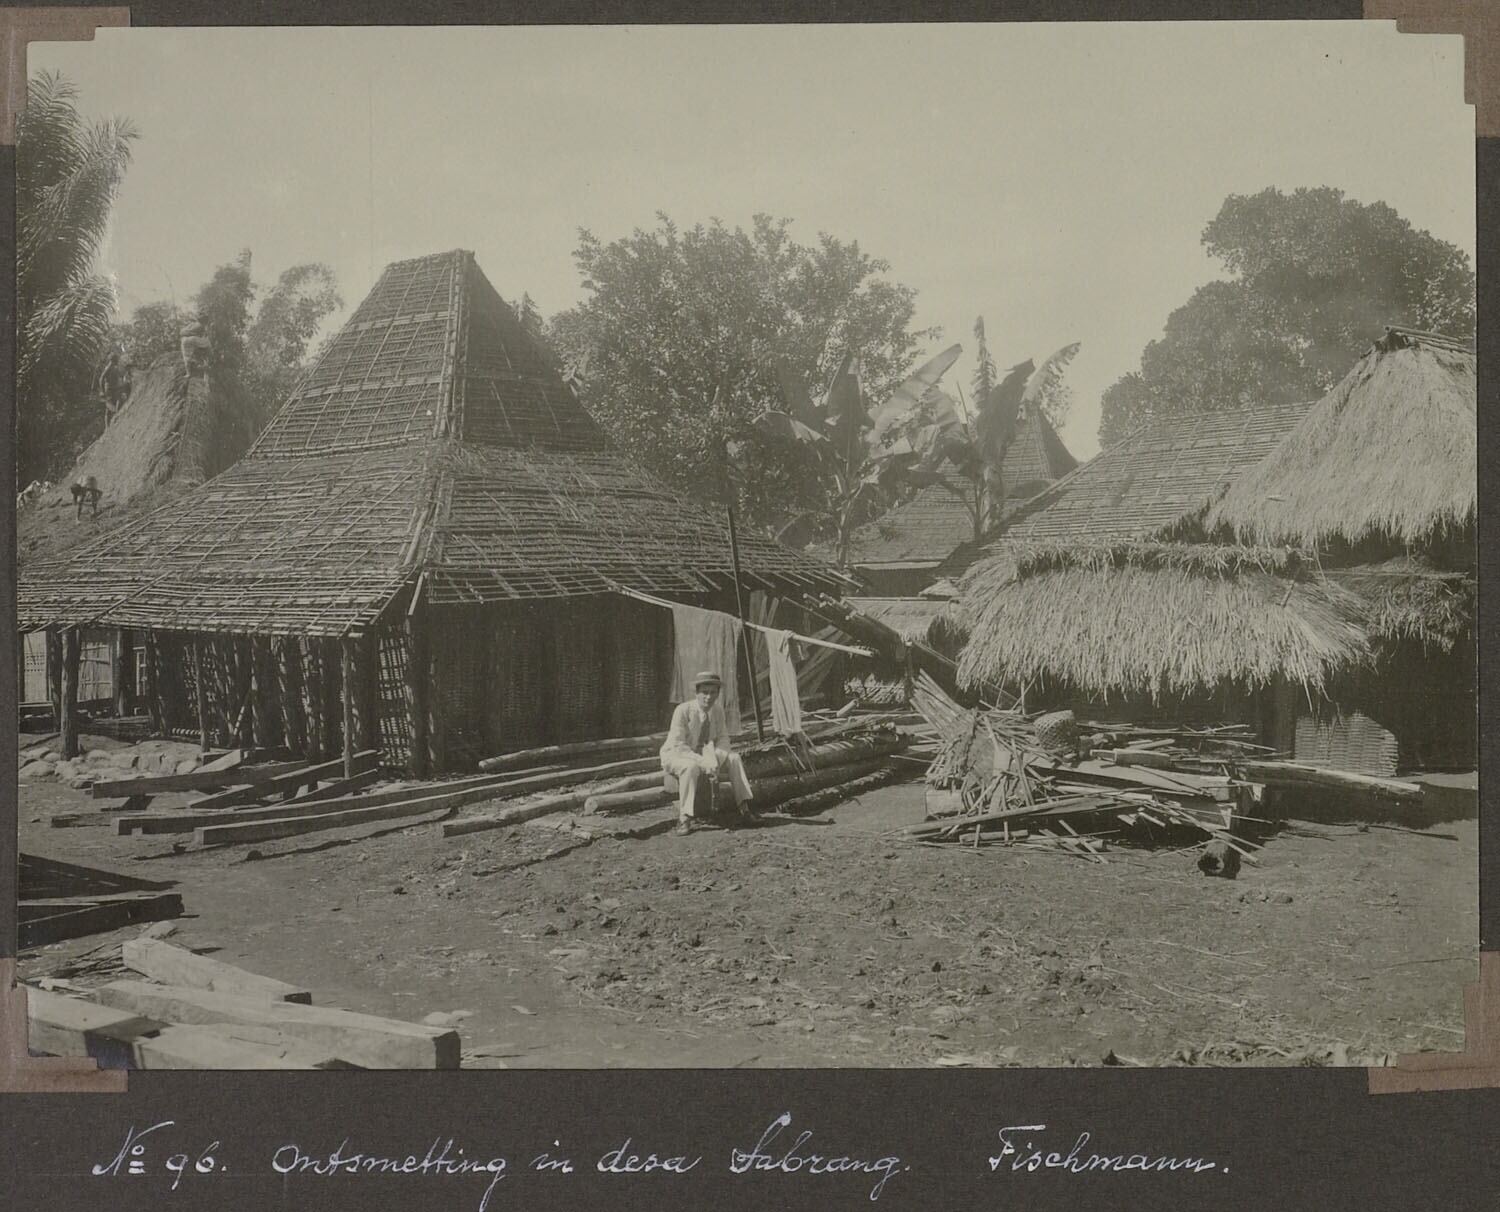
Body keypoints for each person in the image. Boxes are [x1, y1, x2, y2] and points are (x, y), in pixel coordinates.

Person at [660, 670, 754, 835]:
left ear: (718, 694)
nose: (708, 697)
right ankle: (684, 817)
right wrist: (704, 762)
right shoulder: (683, 710)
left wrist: (717, 758)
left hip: (705, 755)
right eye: (704, 692)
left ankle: (744, 808)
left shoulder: (717, 710)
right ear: (696, 693)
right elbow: (679, 745)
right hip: (676, 754)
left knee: (734, 758)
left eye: (713, 692)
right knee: (690, 767)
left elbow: (723, 738)